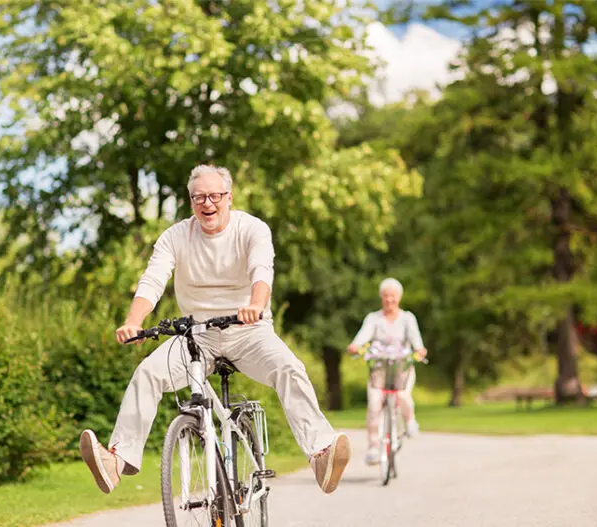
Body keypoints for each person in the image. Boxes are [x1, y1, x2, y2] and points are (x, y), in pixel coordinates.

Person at [78, 164, 352, 496]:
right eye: (199, 198)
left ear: (229, 197)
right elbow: (153, 280)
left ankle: (321, 453)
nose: (207, 204)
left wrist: (256, 304)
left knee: (289, 368)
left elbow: (261, 270)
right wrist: (133, 321)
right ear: (191, 201)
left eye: (214, 196)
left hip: (248, 330)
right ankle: (116, 461)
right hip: (196, 335)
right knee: (147, 373)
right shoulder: (176, 236)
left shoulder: (252, 229)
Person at [346, 278, 428, 466]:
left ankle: (410, 422)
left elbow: (416, 341)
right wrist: (355, 346)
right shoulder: (374, 318)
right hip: (379, 368)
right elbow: (363, 336)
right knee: (374, 404)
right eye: (386, 296)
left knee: (402, 395)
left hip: (401, 368)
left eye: (393, 296)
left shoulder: (407, 318)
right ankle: (374, 447)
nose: (389, 300)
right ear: (381, 298)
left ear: (399, 297)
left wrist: (419, 349)